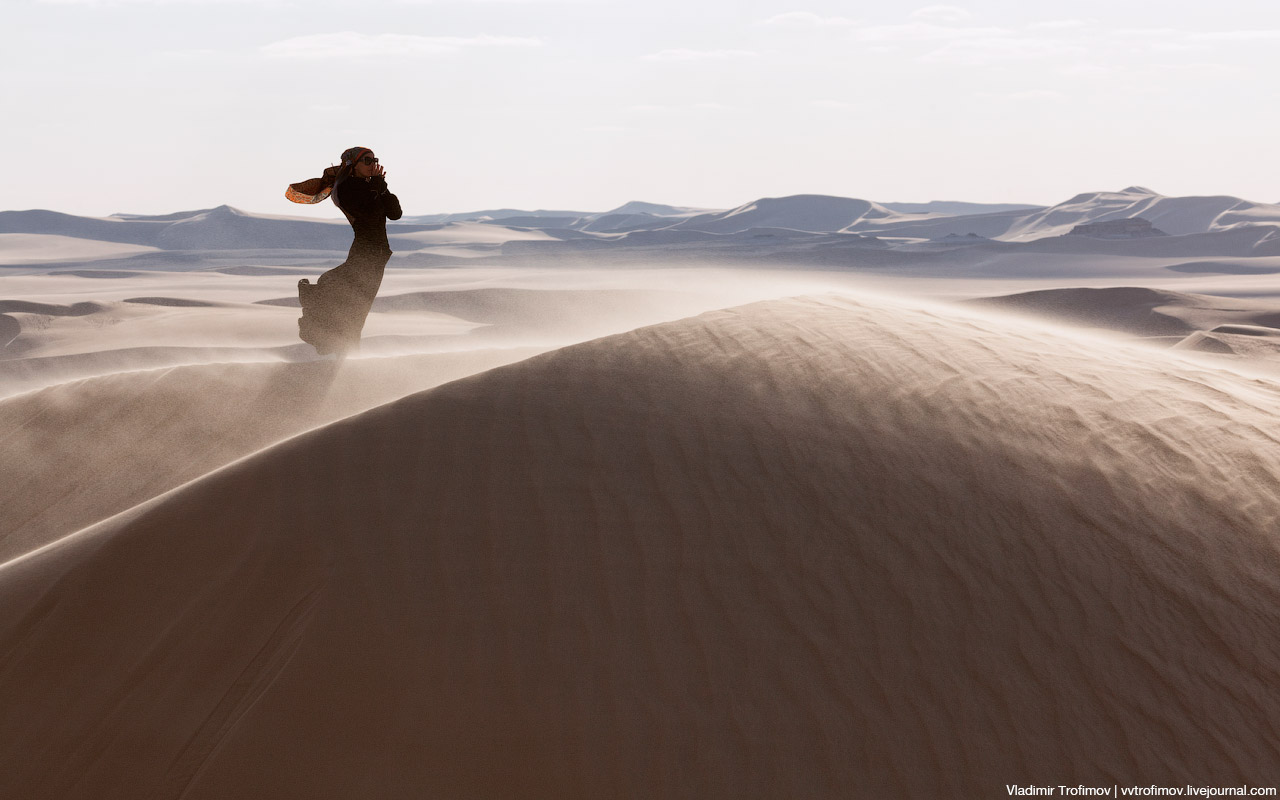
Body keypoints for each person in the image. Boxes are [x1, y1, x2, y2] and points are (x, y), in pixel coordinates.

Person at [286, 147, 403, 356]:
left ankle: (339, 348)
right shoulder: (345, 188)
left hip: (377, 254)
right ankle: (342, 353)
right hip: (366, 252)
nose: (372, 164)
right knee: (355, 308)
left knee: (356, 307)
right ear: (352, 164)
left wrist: (382, 187)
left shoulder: (372, 186)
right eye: (366, 160)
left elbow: (395, 214)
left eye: (374, 160)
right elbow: (367, 214)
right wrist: (377, 187)